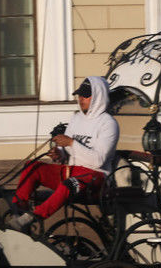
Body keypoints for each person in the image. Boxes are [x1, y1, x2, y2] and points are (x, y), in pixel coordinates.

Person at [7, 76, 120, 232]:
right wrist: (59, 153)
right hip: (71, 171)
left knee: (68, 185)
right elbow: (68, 151)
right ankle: (18, 211)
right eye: (80, 95)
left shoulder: (108, 123)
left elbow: (98, 160)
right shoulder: (76, 118)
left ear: (98, 96)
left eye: (86, 95)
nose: (81, 99)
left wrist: (71, 143)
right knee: (32, 167)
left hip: (96, 177)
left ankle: (30, 218)